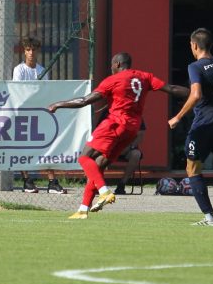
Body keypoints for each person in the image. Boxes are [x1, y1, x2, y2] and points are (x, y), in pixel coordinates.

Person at [48, 52, 189, 219]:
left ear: (117, 64)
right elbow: (171, 89)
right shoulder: (145, 77)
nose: (111, 68)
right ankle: (83, 209)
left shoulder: (113, 80)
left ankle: (104, 191)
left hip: (114, 124)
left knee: (84, 158)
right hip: (131, 129)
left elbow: (84, 101)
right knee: (98, 166)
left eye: (112, 65)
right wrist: (196, 93)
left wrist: (58, 104)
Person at [168, 28, 213, 226]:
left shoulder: (195, 67)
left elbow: (196, 94)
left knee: (192, 168)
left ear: (194, 45)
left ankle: (210, 218)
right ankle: (209, 218)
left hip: (204, 125)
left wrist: (177, 116)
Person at [13, 36, 65, 194]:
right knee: (22, 147)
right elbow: (18, 93)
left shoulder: (42, 71)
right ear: (24, 51)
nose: (30, 53)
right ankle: (27, 181)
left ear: (37, 51)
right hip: (23, 115)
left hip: (40, 116)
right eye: (28, 49)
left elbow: (45, 93)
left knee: (47, 146)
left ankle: (52, 182)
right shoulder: (19, 70)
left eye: (33, 49)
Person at [96, 107, 145, 195]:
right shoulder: (108, 112)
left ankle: (122, 185)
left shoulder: (135, 112)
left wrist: (130, 146)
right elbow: (99, 131)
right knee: (98, 156)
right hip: (110, 147)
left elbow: (140, 134)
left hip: (127, 148)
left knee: (136, 154)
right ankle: (98, 185)